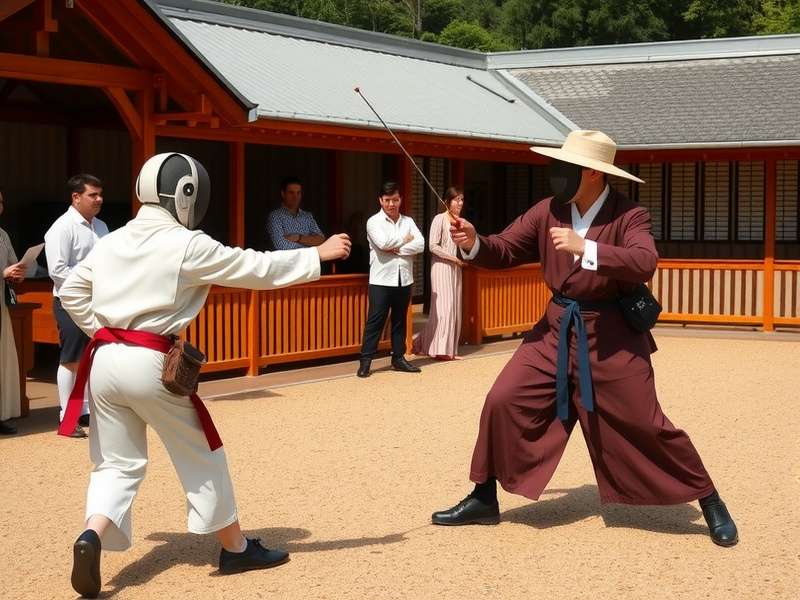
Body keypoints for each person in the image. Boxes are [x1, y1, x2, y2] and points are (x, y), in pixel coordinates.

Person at [58, 153, 350, 598]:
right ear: (187, 195)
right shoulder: (186, 243)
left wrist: (99, 329)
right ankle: (235, 548)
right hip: (151, 361)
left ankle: (92, 533)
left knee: (116, 463)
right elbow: (255, 267)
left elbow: (73, 289)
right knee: (202, 452)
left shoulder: (112, 240)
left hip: (105, 360)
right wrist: (317, 255)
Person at [431, 130, 738, 548]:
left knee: (646, 422)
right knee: (503, 398)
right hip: (555, 329)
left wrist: (586, 247)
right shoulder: (547, 211)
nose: (557, 174)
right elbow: (504, 249)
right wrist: (474, 242)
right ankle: (484, 496)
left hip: (611, 337)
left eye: (566, 167)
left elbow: (645, 262)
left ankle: (709, 498)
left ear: (592, 174)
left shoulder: (629, 215)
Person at [44, 174, 109, 438]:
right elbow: (57, 270)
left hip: (98, 301)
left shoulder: (102, 226)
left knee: (93, 358)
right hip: (70, 300)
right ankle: (66, 417)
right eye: (93, 194)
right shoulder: (62, 227)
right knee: (71, 359)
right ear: (76, 197)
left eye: (100, 194)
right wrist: (89, 280)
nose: (99, 199)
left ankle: (85, 411)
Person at [357, 181, 424, 378]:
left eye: (395, 200)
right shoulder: (373, 222)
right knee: (375, 321)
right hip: (381, 280)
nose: (391, 204)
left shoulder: (408, 221)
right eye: (387, 200)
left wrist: (398, 248)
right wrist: (405, 240)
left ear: (400, 199)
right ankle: (366, 361)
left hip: (404, 278)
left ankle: (398, 358)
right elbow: (383, 243)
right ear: (380, 200)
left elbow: (420, 244)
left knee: (399, 321)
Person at [412, 187, 465, 360]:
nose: (459, 203)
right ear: (447, 201)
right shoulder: (439, 219)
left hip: (456, 269)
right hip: (442, 267)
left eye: (462, 199)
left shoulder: (461, 221)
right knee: (444, 309)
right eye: (456, 199)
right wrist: (453, 258)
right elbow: (433, 246)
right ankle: (439, 349)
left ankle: (449, 349)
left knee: (455, 308)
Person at [0, 192, 25, 435]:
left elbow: (12, 263)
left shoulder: (2, 234)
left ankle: (1, 414)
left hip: (1, 306)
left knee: (2, 361)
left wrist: (17, 271)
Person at [266, 176, 325, 250]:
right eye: (291, 193)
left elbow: (321, 240)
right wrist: (310, 244)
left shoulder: (307, 216)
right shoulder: (275, 217)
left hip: (309, 261)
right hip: (287, 261)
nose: (295, 197)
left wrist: (298, 237)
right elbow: (282, 247)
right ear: (283, 194)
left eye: (298, 193)